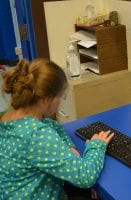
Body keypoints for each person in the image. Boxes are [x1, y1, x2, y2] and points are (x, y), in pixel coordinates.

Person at [0, 59, 114, 199]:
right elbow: (85, 177)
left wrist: (70, 147)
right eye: (61, 97)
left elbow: (52, 125)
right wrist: (97, 145)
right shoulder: (36, 135)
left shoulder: (8, 116)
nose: (60, 102)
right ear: (47, 99)